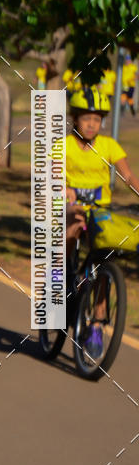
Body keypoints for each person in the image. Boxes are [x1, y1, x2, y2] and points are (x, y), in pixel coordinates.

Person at [65, 86, 139, 356]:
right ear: (75, 119)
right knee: (72, 222)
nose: (92, 124)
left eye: (97, 119)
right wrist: (64, 189)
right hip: (72, 207)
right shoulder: (64, 146)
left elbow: (128, 176)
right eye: (86, 118)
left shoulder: (109, 145)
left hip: (101, 210)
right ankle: (63, 274)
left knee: (106, 269)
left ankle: (96, 324)